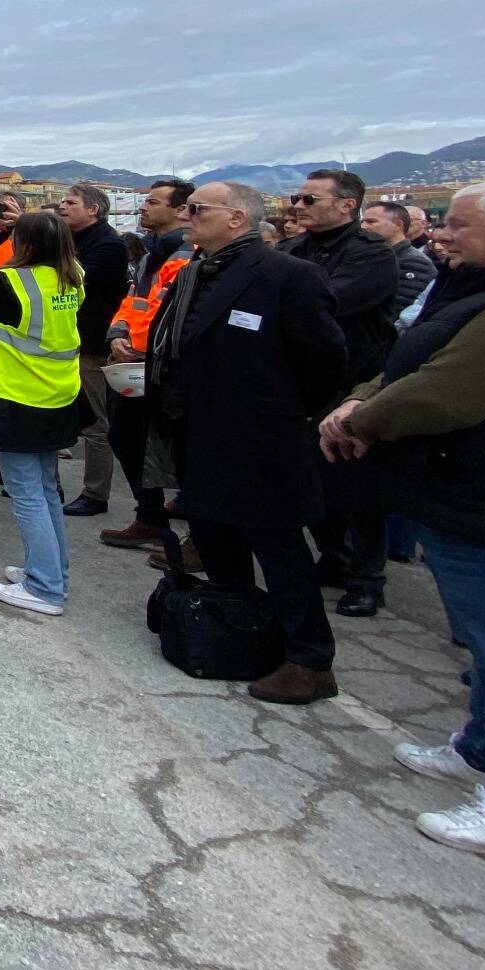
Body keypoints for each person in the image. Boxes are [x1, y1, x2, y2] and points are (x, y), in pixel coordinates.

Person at [317, 181, 485, 855]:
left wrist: (361, 416)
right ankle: (479, 746)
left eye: (459, 226)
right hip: (455, 492)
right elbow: (407, 355)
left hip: (484, 498)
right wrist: (363, 398)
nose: (443, 237)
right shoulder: (468, 290)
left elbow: (443, 390)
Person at [149, 181, 348, 704]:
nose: (186, 215)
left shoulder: (288, 275)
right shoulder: (195, 271)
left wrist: (278, 412)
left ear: (237, 218)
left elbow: (325, 362)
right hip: (199, 430)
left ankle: (309, 658)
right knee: (214, 537)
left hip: (262, 438)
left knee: (279, 548)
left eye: (198, 209)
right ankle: (239, 625)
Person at [0, 211, 90, 615]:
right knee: (45, 489)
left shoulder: (12, 284)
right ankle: (50, 571)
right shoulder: (74, 276)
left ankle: (46, 588)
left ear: (23, 245)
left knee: (27, 494)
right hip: (59, 394)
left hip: (16, 397)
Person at [281, 168, 399, 616]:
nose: (297, 206)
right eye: (297, 197)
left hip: (353, 382)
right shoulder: (295, 248)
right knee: (311, 480)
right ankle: (333, 557)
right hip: (302, 382)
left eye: (309, 200)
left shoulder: (370, 253)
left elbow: (328, 302)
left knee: (355, 487)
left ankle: (367, 577)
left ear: (347, 205)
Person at [99, 178, 194, 552]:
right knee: (126, 437)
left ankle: (196, 533)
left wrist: (149, 348)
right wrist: (117, 334)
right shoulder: (151, 254)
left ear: (179, 209)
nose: (144, 207)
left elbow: (179, 314)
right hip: (132, 361)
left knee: (179, 447)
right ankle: (149, 515)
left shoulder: (186, 256)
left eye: (153, 202)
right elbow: (132, 300)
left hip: (165, 365)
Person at [56, 183, 130, 518]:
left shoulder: (109, 245)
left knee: (95, 422)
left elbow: (73, 282)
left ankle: (96, 493)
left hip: (92, 345)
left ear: (94, 209)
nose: (62, 207)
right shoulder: (73, 240)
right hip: (67, 342)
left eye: (70, 202)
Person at [362, 199, 438, 316]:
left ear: (398, 225)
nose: (363, 226)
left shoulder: (413, 262)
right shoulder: (376, 257)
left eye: (371, 222)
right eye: (363, 221)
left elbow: (400, 309)